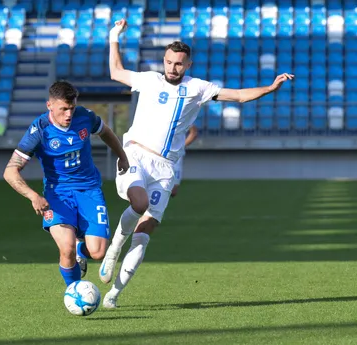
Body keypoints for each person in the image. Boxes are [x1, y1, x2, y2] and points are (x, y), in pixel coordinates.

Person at [99, 18, 294, 308]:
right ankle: (113, 249)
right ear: (163, 61)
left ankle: (113, 295)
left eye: (178, 64)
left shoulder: (198, 88)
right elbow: (116, 71)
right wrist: (114, 35)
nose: (172, 68)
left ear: (187, 65)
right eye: (168, 62)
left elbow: (238, 96)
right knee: (138, 204)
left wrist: (269, 88)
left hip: (165, 169)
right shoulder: (148, 80)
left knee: (145, 232)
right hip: (135, 154)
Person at [3, 80, 129, 287]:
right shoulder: (40, 130)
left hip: (89, 190)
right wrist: (33, 196)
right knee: (66, 248)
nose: (69, 115)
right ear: (49, 105)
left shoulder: (85, 117)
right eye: (63, 109)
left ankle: (82, 249)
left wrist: (122, 156)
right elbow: (10, 171)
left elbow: (105, 131)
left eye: (71, 108)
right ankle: (75, 291)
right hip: (58, 194)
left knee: (97, 252)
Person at [171, 124, 198, 198]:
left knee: (173, 190)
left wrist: (181, 147)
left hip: (176, 158)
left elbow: (193, 132)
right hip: (159, 155)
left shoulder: (183, 116)